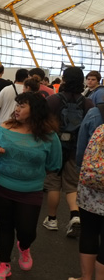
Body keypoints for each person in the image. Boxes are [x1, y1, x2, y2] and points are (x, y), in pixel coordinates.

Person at [0, 92, 62, 280]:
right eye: (17, 105)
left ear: (36, 110)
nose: (16, 109)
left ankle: (24, 247)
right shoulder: (4, 128)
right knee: (5, 227)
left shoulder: (49, 136)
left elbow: (54, 164)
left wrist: (31, 172)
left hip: (31, 191)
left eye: (22, 106)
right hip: (3, 187)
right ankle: (4, 264)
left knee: (27, 231)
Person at [43, 67, 95, 237]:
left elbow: (42, 123)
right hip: (76, 150)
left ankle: (52, 219)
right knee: (72, 186)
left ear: (64, 80)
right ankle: (75, 217)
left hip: (53, 149)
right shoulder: (87, 103)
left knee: (53, 184)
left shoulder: (53, 100)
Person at [68, 105, 104, 280]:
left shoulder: (96, 113)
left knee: (89, 231)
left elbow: (81, 149)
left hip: (92, 188)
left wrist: (83, 172)